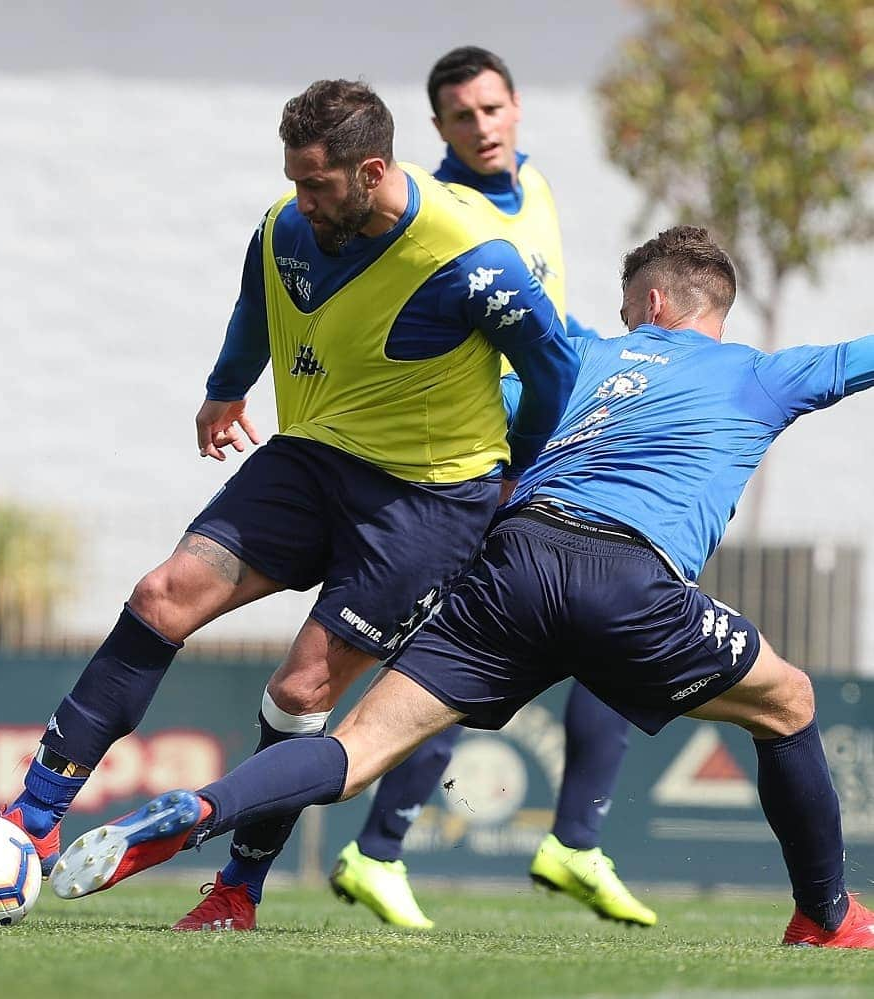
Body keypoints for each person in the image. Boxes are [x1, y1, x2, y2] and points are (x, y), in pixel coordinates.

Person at [51, 225, 874, 948]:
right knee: (789, 701)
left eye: (628, 309)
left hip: (510, 566)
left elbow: (471, 413)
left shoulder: (583, 354)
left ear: (652, 301)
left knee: (354, 751)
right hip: (628, 579)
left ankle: (198, 809)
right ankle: (825, 914)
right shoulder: (763, 372)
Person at [0, 79, 579, 931]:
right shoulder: (286, 227)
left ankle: (237, 888)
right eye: (293, 178)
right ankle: (31, 822)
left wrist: (512, 477)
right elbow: (258, 304)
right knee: (160, 596)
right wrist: (224, 390)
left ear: (372, 170)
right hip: (311, 460)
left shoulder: (472, 262)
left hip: (429, 501)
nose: (299, 200)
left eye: (318, 183)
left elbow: (553, 371)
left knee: (300, 688)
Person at [327, 45, 653, 931]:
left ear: (515, 108)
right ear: (435, 130)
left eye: (492, 108)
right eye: (462, 115)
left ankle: (563, 840)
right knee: (478, 655)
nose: (481, 126)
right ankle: (382, 848)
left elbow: (545, 319)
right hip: (491, 461)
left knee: (621, 617)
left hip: (554, 444)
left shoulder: (535, 186)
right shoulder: (443, 212)